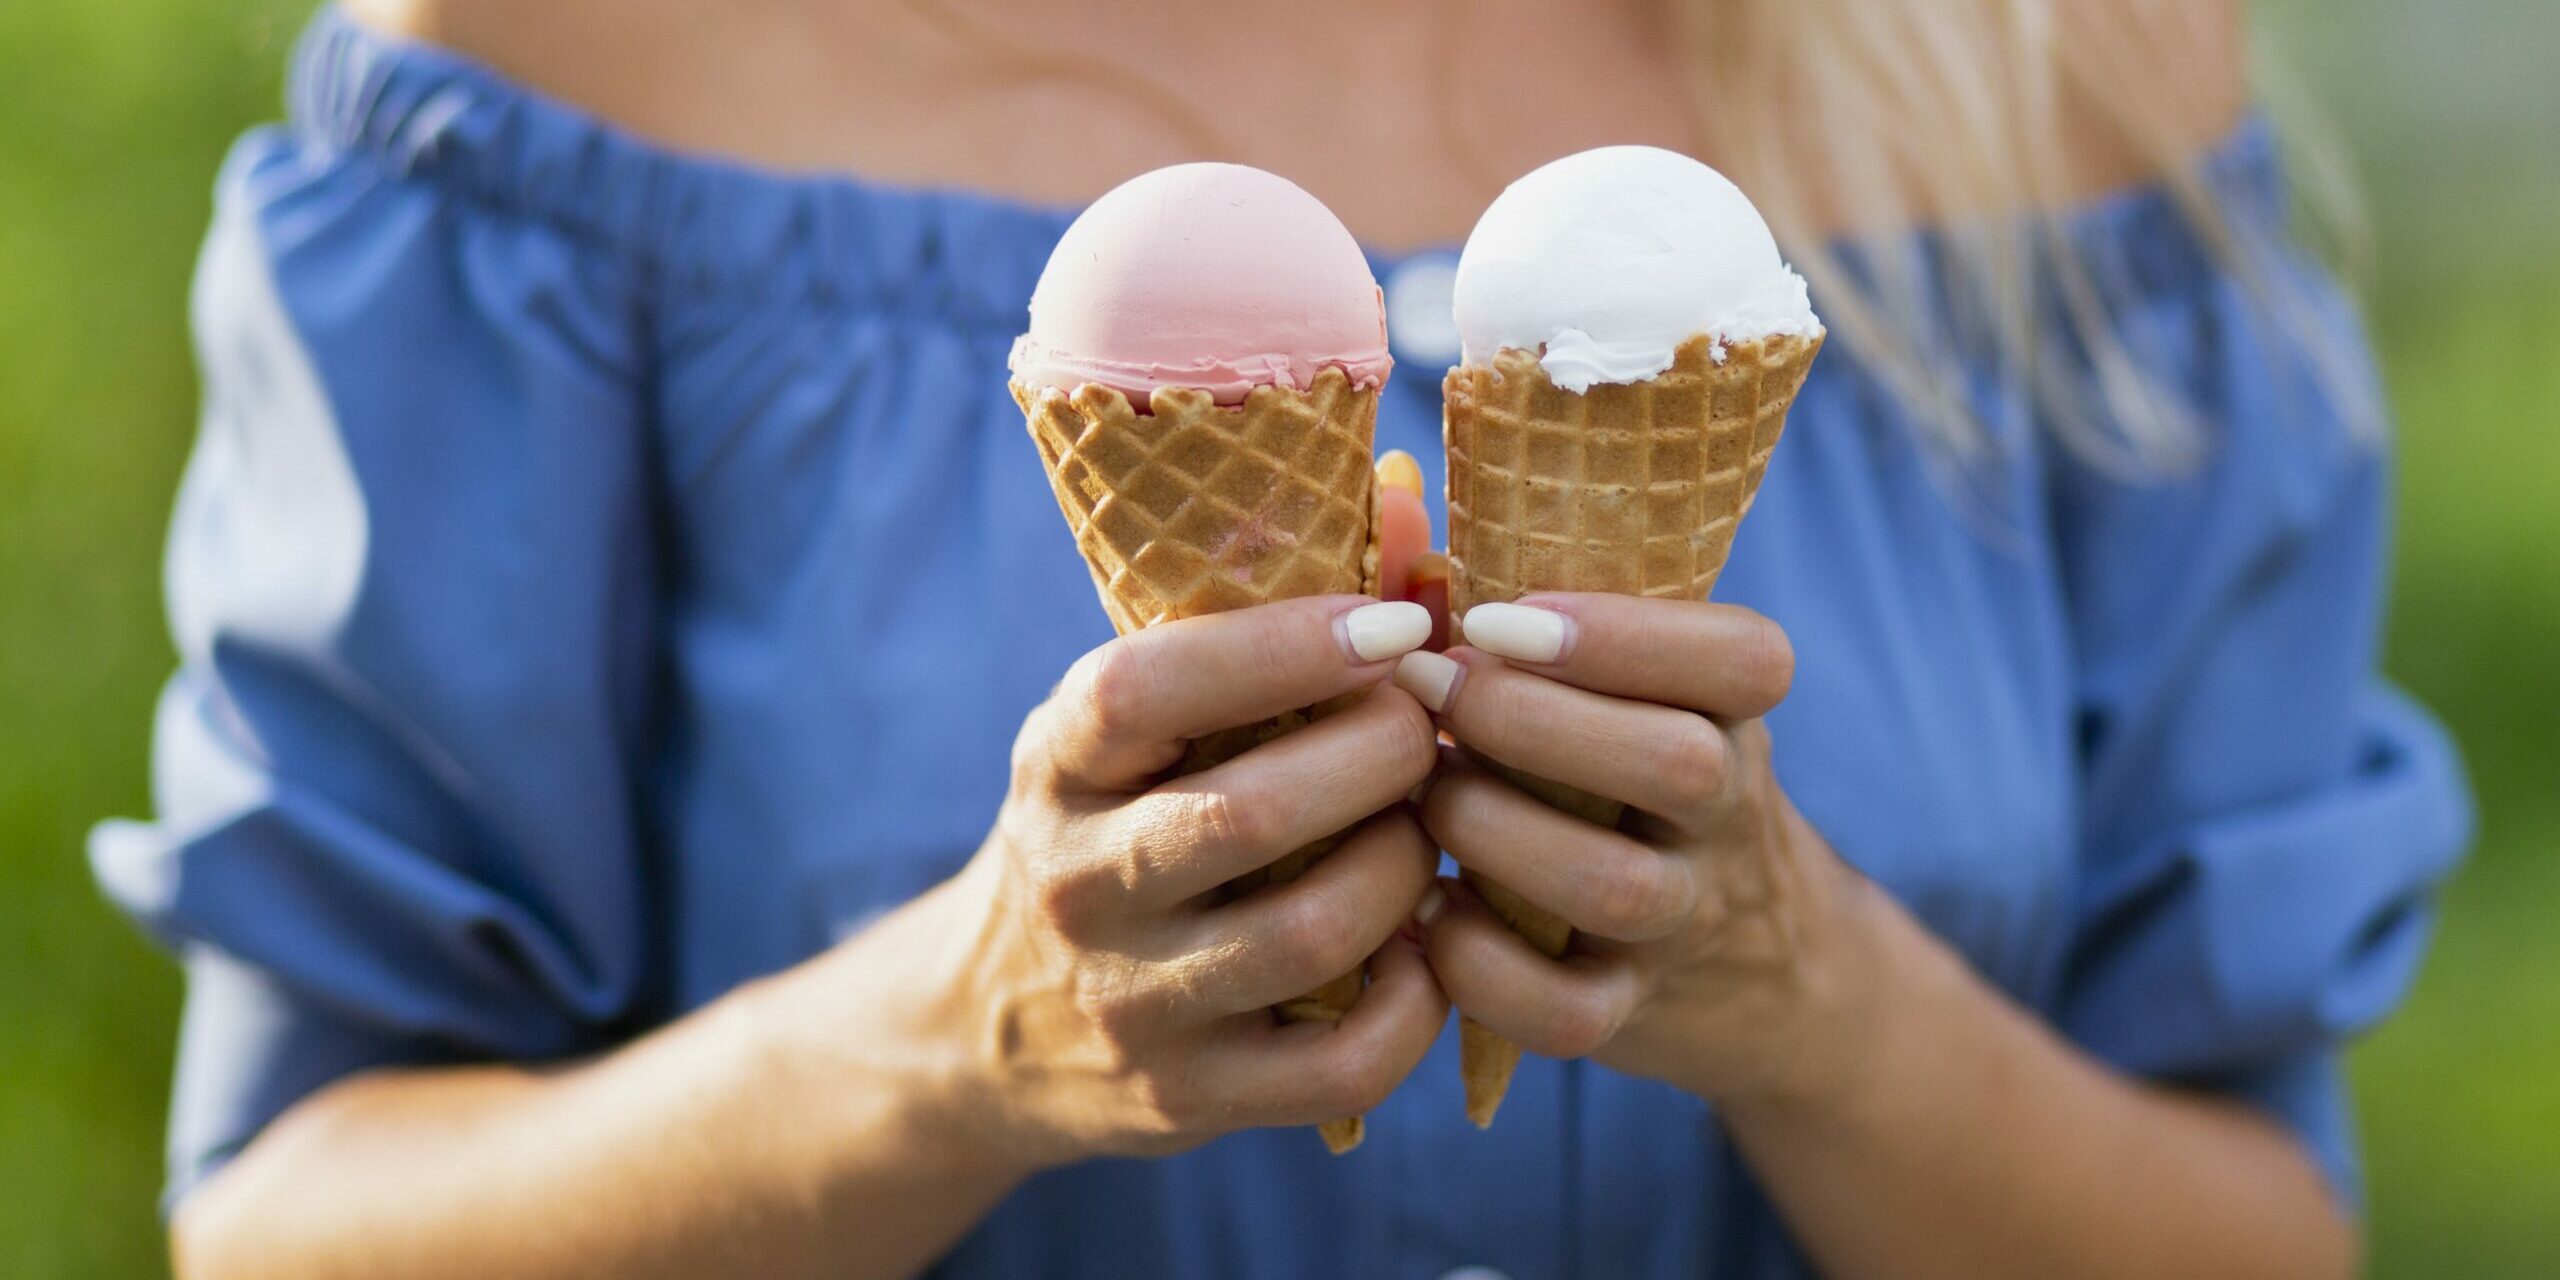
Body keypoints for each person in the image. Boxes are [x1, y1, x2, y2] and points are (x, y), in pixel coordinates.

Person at [94, 1, 2472, 1277]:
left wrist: (1814, 1004)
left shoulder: (2052, 62)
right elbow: (295, 1219)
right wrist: (957, 1042)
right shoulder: (566, 53)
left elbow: (2254, 1232)